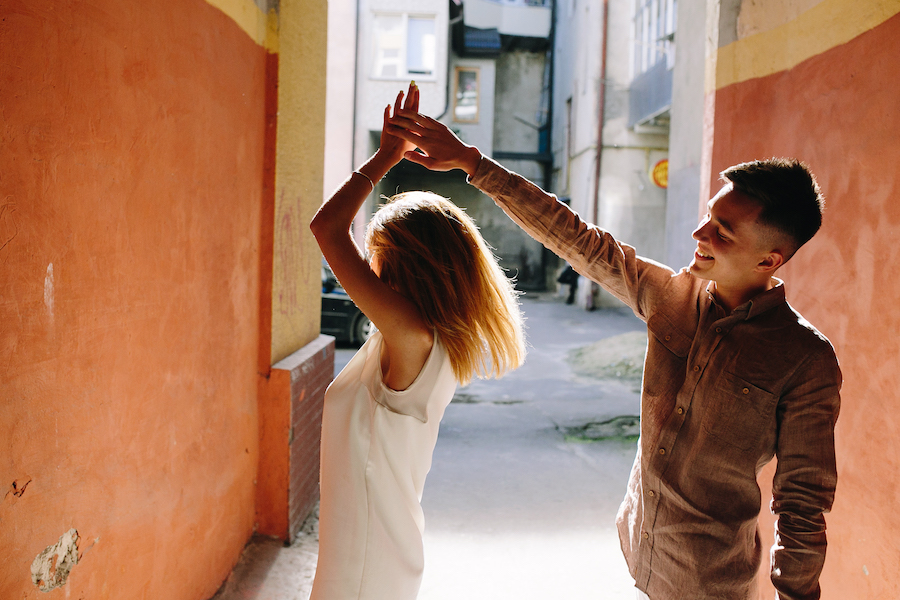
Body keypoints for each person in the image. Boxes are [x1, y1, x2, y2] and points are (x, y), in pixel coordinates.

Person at [386, 102, 841, 600]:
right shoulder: (671, 296)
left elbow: (802, 504)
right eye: (708, 218)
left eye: (721, 232)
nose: (698, 235)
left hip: (710, 583)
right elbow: (578, 240)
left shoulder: (805, 358)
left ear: (769, 259)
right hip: (636, 554)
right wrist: (473, 164)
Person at [308, 83, 525, 600]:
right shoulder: (420, 339)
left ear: (409, 262)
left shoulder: (413, 337)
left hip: (364, 565)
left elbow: (326, 228)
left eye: (376, 253)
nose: (370, 266)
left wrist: (385, 158)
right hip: (368, 552)